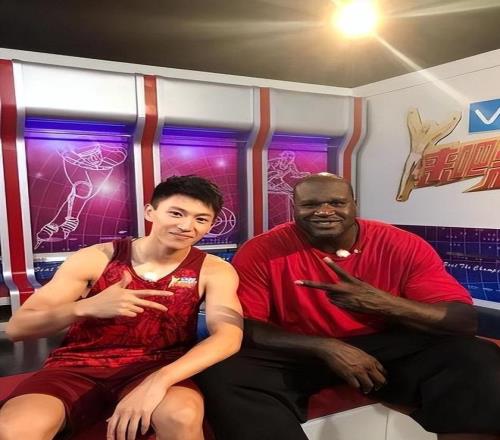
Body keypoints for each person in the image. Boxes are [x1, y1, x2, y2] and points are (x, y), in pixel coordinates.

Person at [195, 172, 500, 440]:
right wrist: (326, 347)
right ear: (294, 208)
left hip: (385, 346)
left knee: (475, 355)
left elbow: (463, 321)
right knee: (223, 371)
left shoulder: (402, 244)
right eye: (310, 205)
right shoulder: (261, 250)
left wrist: (382, 303)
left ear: (354, 204)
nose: (324, 211)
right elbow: (246, 326)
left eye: (337, 203)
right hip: (301, 350)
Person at [0, 175, 243, 440]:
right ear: (150, 212)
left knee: (181, 416)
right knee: (15, 429)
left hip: (156, 365)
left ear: (211, 225)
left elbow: (228, 336)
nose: (187, 226)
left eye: (201, 219)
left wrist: (159, 380)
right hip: (76, 366)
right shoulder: (97, 258)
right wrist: (86, 307)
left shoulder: (214, 270)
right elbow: (17, 328)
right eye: (176, 213)